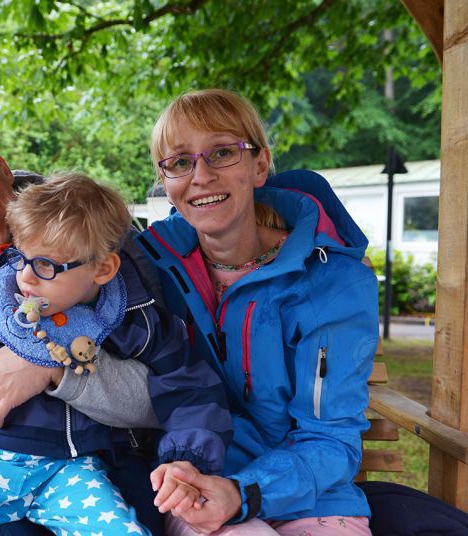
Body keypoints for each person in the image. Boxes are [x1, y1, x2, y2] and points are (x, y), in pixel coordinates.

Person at [0, 173, 231, 535]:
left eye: (46, 265)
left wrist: (185, 458)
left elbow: (189, 386)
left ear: (102, 269)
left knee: (122, 530)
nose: (26, 277)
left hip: (78, 470)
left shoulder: (132, 318)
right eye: (22, 257)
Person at [0, 116, 169, 535]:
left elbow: (168, 386)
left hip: (104, 461)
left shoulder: (91, 232)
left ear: (1, 165)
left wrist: (48, 363)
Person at [136, 89, 378, 534]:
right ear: (165, 181)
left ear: (260, 164)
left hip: (315, 494)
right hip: (195, 483)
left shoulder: (333, 282)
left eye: (222, 152)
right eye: (180, 162)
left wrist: (245, 491)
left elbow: (331, 437)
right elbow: (66, 287)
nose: (201, 176)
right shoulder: (148, 266)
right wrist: (31, 357)